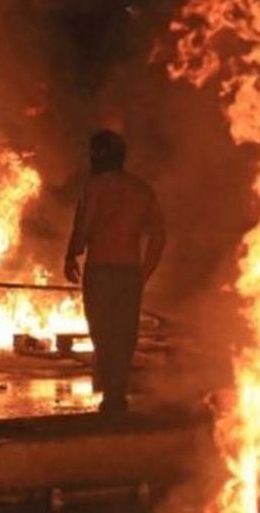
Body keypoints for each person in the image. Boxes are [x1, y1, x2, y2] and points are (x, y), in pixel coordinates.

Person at [64, 130, 166, 414]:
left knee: (102, 332)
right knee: (124, 334)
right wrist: (143, 274)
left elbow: (84, 226)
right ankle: (116, 393)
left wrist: (72, 254)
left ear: (98, 156)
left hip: (100, 271)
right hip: (129, 272)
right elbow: (159, 237)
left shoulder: (95, 187)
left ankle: (112, 392)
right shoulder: (141, 190)